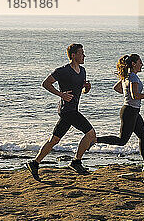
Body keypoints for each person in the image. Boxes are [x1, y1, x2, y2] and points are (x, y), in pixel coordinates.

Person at [26, 43, 96, 181]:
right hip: (67, 110)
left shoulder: (82, 71)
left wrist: (87, 88)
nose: (84, 55)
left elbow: (82, 90)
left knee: (54, 140)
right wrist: (61, 94)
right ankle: (76, 162)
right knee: (90, 133)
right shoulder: (62, 70)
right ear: (74, 55)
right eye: (81, 53)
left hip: (72, 109)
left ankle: (34, 163)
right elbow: (46, 83)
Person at [96, 54, 144, 172]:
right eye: (140, 62)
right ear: (134, 64)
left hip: (132, 111)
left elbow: (117, 88)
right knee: (122, 141)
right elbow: (135, 96)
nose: (142, 64)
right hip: (130, 111)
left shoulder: (127, 76)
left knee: (143, 135)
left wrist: (126, 95)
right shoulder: (133, 78)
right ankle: (95, 140)